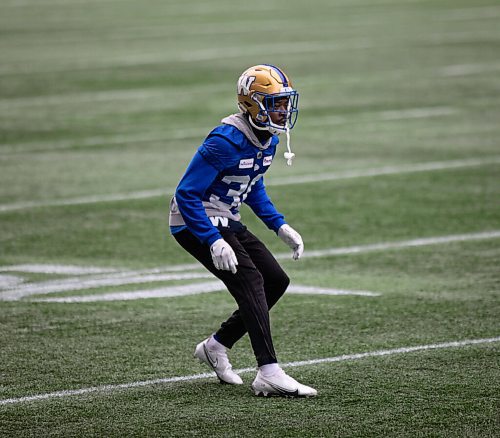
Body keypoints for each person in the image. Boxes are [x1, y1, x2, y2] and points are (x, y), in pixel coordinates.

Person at [169, 64, 317, 398]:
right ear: (251, 104)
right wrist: (212, 239)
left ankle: (216, 346)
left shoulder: (267, 140)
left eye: (284, 102)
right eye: (274, 103)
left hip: (226, 215)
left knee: (276, 281)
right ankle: (268, 371)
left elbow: (251, 185)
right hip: (195, 220)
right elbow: (186, 193)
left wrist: (279, 224)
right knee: (250, 280)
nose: (283, 110)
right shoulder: (225, 141)